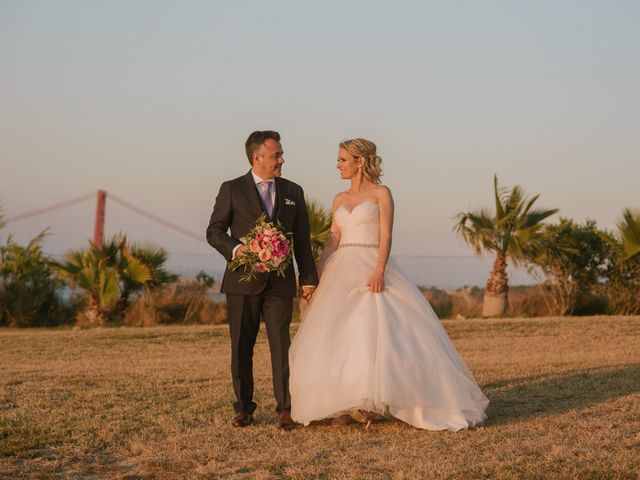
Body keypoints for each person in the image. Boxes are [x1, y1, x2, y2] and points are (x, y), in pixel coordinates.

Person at [289, 138, 489, 431]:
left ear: (360, 161)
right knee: (339, 332)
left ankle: (371, 401)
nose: (337, 165)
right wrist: (317, 271)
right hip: (341, 267)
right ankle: (342, 404)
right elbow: (334, 238)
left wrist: (379, 269)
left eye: (342, 160)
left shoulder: (382, 193)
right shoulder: (338, 199)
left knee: (371, 332)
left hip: (371, 264)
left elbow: (386, 235)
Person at [206, 130, 318, 430]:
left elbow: (303, 242)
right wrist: (239, 249)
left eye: (281, 154)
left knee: (283, 346)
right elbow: (214, 232)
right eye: (276, 155)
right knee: (241, 346)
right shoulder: (231, 189)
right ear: (257, 157)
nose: (281, 159)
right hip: (242, 282)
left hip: (280, 285)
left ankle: (286, 409)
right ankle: (243, 408)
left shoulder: (294, 192)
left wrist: (308, 279)